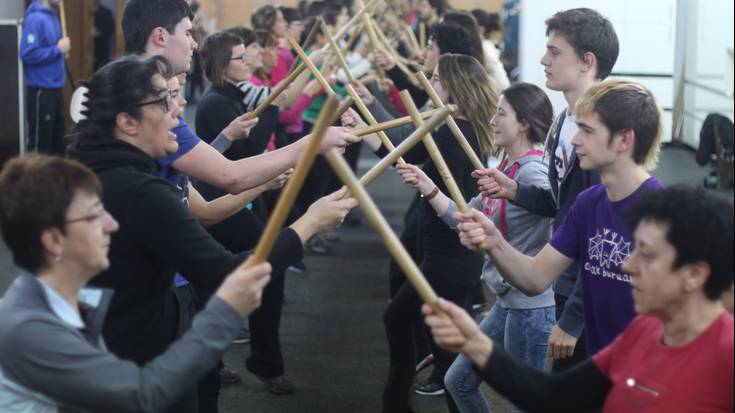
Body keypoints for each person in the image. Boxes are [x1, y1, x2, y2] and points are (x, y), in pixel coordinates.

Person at [65, 55, 356, 412]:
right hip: (138, 368)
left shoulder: (79, 169)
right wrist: (310, 223)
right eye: (164, 100)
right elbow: (229, 275)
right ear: (126, 122)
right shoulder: (141, 192)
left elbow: (204, 210)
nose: (178, 110)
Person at [424, 185, 734, 413]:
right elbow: (555, 396)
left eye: (648, 255)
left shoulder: (726, 355)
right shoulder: (644, 332)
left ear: (694, 274)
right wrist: (474, 344)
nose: (628, 264)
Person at [0, 154, 272, 412]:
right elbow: (142, 395)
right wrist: (226, 310)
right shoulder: (29, 328)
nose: (112, 225)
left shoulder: (70, 300)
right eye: (94, 215)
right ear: (53, 240)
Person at [459, 78, 664, 364]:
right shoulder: (588, 203)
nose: (576, 140)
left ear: (624, 140)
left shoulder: (664, 216)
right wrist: (493, 240)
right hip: (594, 369)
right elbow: (534, 278)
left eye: (588, 131)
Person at [345, 53, 497, 410]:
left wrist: (427, 187)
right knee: (442, 344)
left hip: (450, 255)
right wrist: (361, 124)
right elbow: (400, 152)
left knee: (414, 329)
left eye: (437, 79)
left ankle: (396, 403)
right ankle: (401, 401)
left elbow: (403, 152)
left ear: (455, 86)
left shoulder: (453, 133)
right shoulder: (458, 125)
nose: (431, 83)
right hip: (448, 253)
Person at [397, 82, 555, 412]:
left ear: (524, 123)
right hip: (506, 300)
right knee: (458, 382)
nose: (492, 121)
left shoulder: (534, 169)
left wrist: (513, 190)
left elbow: (552, 204)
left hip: (531, 307)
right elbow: (464, 218)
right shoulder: (507, 168)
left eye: (501, 114)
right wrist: (428, 187)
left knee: (524, 403)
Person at [478, 8, 619, 371]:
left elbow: (604, 239)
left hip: (589, 302)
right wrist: (515, 191)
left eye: (554, 52)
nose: (544, 60)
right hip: (562, 285)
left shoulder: (603, 133)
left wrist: (573, 319)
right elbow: (561, 207)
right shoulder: (562, 121)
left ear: (587, 61)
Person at [121, 0, 359, 197]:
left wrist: (226, 138)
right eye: (188, 33)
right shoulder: (146, 100)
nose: (194, 43)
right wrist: (313, 143)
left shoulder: (143, 90)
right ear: (161, 37)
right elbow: (230, 176)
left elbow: (199, 203)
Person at [20, 0, 70, 155]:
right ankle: (32, 180)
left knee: (57, 145)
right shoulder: (35, 19)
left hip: (55, 89)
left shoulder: (54, 16)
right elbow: (27, 53)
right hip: (41, 91)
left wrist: (61, 50)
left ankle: (54, 180)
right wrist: (57, 49)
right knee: (40, 147)